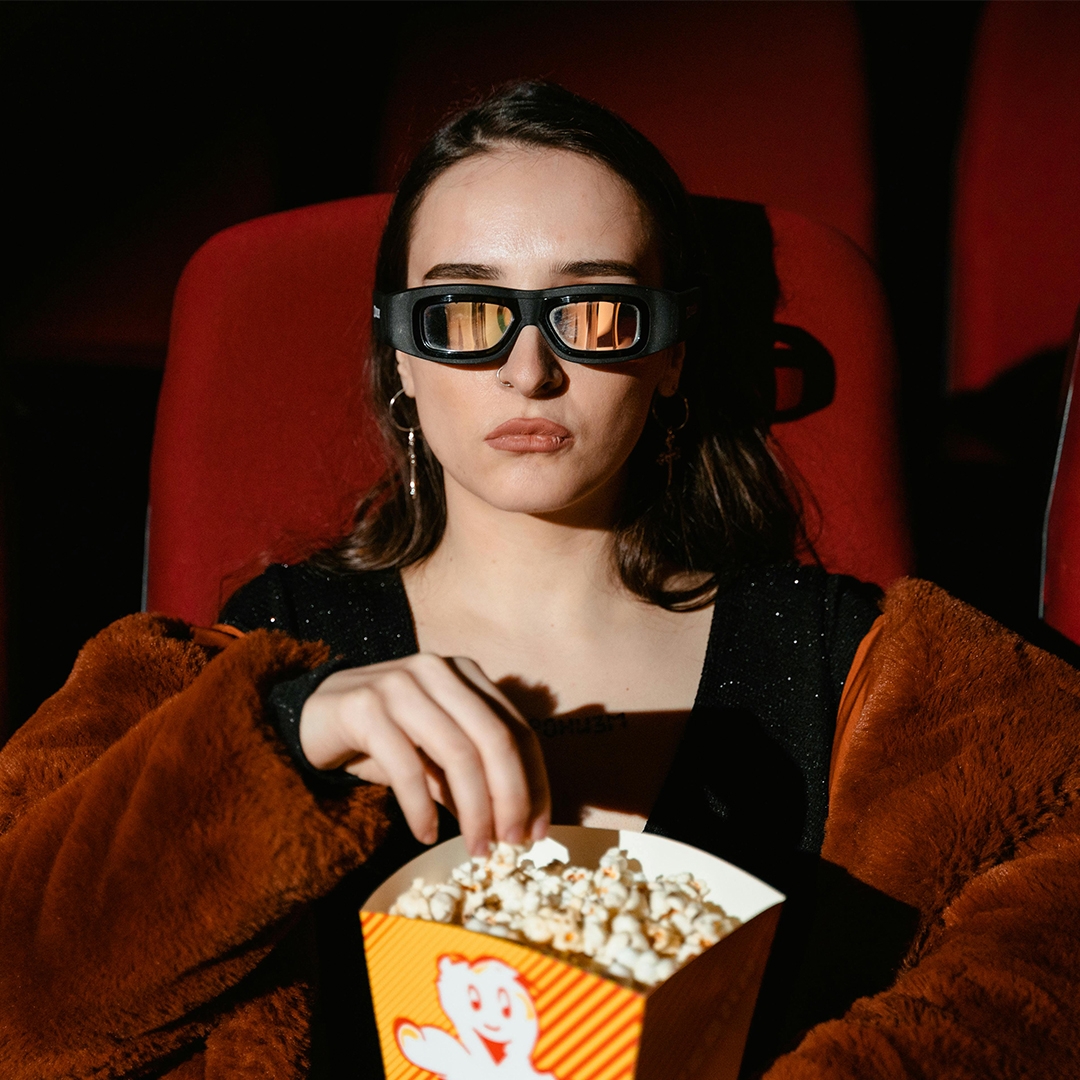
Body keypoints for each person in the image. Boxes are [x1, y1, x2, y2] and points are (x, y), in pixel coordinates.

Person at [2, 82, 1079, 1080]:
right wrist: (284, 736)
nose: (530, 369)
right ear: (403, 364)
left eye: (596, 312)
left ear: (671, 356)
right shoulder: (258, 656)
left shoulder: (865, 667)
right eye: (466, 315)